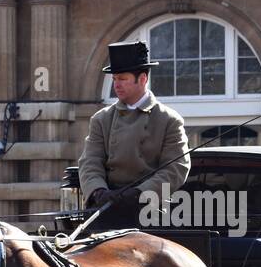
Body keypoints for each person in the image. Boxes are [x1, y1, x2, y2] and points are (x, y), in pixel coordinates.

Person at [77, 40, 190, 232]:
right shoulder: (101, 119)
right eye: (114, 79)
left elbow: (177, 168)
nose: (116, 85)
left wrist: (140, 193)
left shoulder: (169, 120)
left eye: (122, 79)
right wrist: (98, 191)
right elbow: (90, 161)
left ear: (143, 79)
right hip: (106, 208)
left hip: (150, 211)